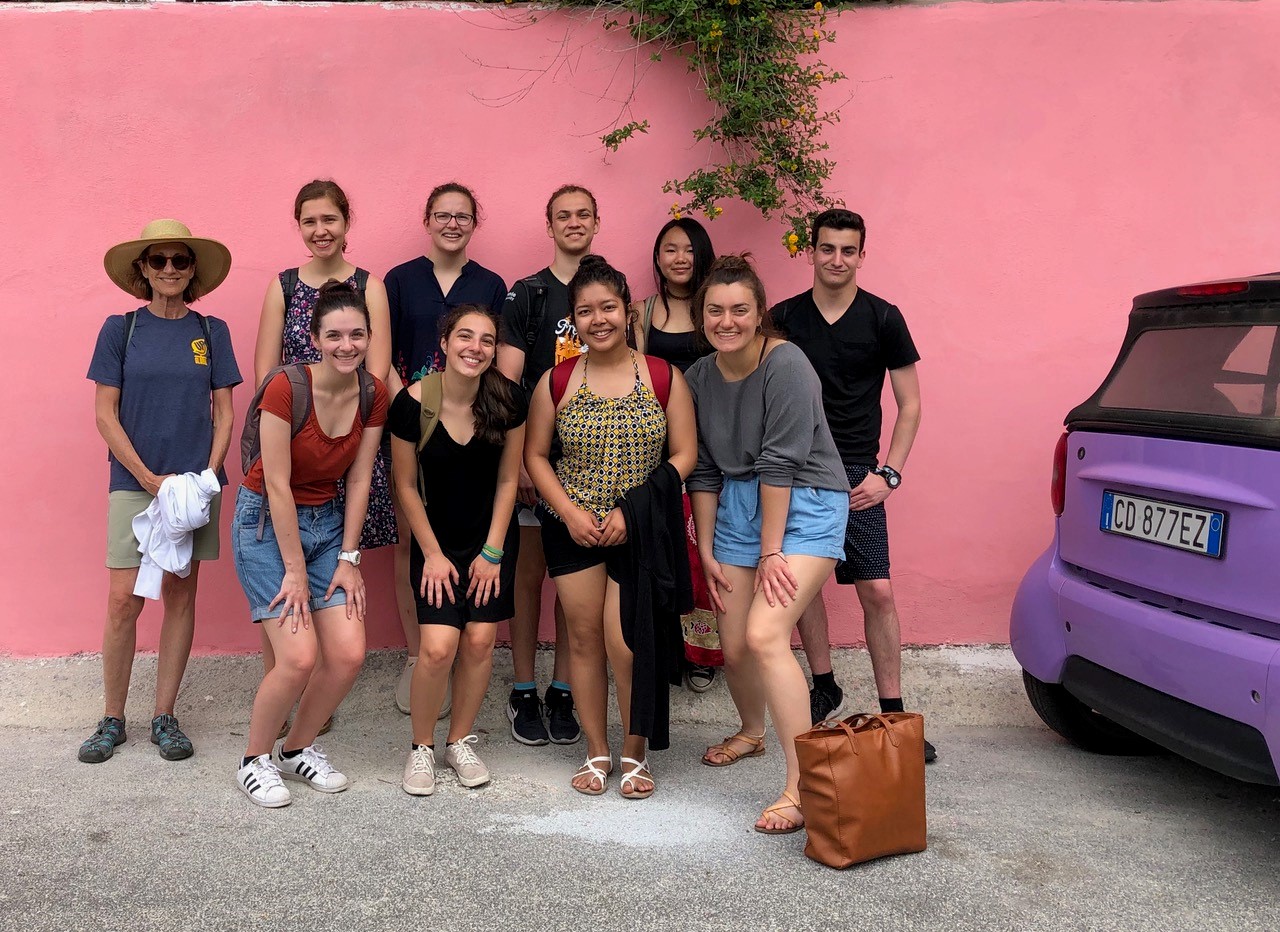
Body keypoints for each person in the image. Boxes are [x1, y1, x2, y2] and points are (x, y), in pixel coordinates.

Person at [685, 255, 850, 834]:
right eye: (715, 310)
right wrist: (706, 549)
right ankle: (752, 734)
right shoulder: (699, 376)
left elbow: (783, 461)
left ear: (760, 315)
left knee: (765, 634)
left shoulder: (788, 365)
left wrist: (771, 550)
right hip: (735, 507)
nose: (726, 320)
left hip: (803, 503)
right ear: (702, 315)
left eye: (739, 310)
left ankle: (801, 784)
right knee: (732, 644)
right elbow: (703, 469)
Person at [525, 255, 697, 797]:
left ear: (628, 311)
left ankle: (635, 753)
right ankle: (596, 752)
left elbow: (686, 453)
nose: (598, 319)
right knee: (583, 638)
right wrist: (571, 514)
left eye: (608, 307)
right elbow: (534, 457)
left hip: (639, 527)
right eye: (585, 311)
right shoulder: (555, 381)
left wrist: (633, 509)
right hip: (573, 527)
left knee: (627, 642)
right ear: (572, 320)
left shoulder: (663, 376)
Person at [771, 209, 932, 762]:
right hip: (799, 474)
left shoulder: (884, 318)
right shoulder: (784, 318)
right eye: (827, 249)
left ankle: (893, 713)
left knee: (878, 592)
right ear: (810, 251)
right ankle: (823, 686)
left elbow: (910, 404)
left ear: (862, 254)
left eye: (848, 250)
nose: (837, 259)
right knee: (802, 587)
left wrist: (889, 473)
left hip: (859, 480)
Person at [82, 219, 242, 765]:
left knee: (179, 595)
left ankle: (165, 716)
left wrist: (209, 474)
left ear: (193, 269)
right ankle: (111, 718)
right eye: (159, 261)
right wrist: (148, 478)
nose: (170, 269)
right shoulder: (120, 328)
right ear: (143, 270)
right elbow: (105, 415)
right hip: (134, 482)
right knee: (123, 601)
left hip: (193, 489)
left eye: (180, 260)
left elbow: (225, 411)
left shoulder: (210, 331)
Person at [233, 281, 388, 808]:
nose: (347, 345)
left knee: (347, 655)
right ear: (316, 338)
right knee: (298, 658)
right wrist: (294, 571)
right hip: (266, 526)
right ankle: (254, 760)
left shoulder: (373, 393)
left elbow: (362, 479)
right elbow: (276, 482)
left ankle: (298, 749)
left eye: (357, 335)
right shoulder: (286, 387)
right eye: (335, 335)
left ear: (369, 338)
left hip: (328, 526)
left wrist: (349, 558)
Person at [252, 179, 396, 736]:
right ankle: (282, 696)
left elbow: (375, 371)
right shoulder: (283, 286)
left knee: (332, 562)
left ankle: (315, 706)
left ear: (346, 222)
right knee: (283, 596)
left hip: (349, 441)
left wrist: (345, 433)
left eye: (330, 219)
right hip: (293, 437)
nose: (321, 231)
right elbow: (268, 370)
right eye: (309, 221)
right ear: (300, 226)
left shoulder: (369, 286)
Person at [389, 305, 526, 795]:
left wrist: (492, 553)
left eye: (486, 340)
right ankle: (422, 747)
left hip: (490, 539)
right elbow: (404, 485)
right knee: (438, 647)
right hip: (436, 544)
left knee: (480, 642)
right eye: (464, 337)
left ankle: (459, 741)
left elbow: (510, 478)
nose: (475, 348)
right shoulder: (412, 403)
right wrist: (431, 553)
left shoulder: (508, 400)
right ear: (444, 343)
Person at [386, 183, 508, 718]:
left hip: (472, 422)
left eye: (462, 216)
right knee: (412, 540)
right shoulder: (400, 280)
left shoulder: (490, 283)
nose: (452, 223)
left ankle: (459, 655)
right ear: (427, 220)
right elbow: (383, 352)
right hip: (417, 417)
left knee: (468, 521)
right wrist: (410, 411)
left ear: (474, 223)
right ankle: (422, 655)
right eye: (442, 215)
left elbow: (493, 353)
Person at [496, 184, 603, 747]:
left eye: (583, 214)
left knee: (575, 586)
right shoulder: (528, 294)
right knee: (528, 577)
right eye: (563, 215)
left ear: (596, 222)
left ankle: (563, 688)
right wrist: (515, 470)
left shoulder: (610, 287)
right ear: (550, 224)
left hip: (595, 465)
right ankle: (521, 690)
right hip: (539, 463)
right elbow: (508, 385)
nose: (574, 223)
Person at [633, 217, 719, 692]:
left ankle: (703, 651)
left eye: (688, 249)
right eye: (670, 249)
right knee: (665, 547)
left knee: (703, 548)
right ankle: (667, 647)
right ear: (658, 257)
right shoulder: (642, 313)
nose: (680, 257)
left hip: (714, 442)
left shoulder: (715, 307)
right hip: (661, 447)